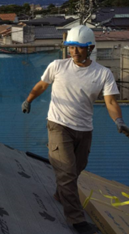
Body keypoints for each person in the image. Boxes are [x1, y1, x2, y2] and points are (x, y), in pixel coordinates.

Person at [22, 25, 129, 234]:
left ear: (90, 48)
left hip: (84, 129)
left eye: (79, 48)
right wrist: (28, 100)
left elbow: (110, 102)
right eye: (71, 47)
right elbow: (42, 85)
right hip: (58, 125)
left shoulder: (103, 74)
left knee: (75, 169)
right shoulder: (58, 66)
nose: (74, 52)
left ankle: (60, 194)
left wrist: (119, 121)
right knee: (67, 171)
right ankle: (77, 220)